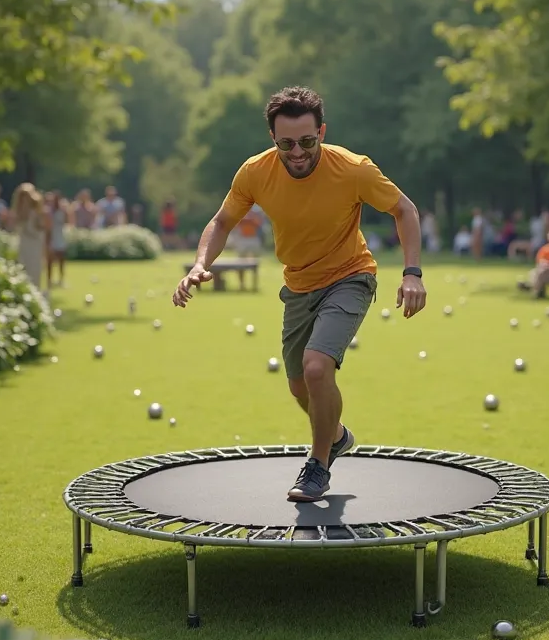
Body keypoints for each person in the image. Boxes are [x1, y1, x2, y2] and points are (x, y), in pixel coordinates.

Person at [172, 86, 427, 503]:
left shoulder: (353, 169)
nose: (297, 152)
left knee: (315, 368)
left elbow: (405, 209)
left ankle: (318, 466)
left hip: (350, 276)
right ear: (273, 138)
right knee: (299, 387)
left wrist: (412, 273)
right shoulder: (256, 172)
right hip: (298, 286)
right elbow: (221, 221)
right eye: (286, 143)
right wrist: (201, 263)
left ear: (321, 132)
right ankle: (338, 437)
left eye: (307, 141)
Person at [10, 183, 46, 288]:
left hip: (35, 244)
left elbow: (40, 228)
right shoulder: (18, 213)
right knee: (23, 268)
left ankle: (35, 290)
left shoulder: (35, 212)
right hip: (24, 244)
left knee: (34, 269)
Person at [517, 229, 549, 298]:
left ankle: (531, 287)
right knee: (537, 272)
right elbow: (541, 262)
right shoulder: (545, 250)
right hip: (545, 271)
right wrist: (548, 265)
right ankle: (537, 290)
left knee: (542, 273)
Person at [46, 190, 72, 288]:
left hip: (60, 235)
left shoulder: (62, 210)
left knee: (61, 258)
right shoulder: (48, 211)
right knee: (50, 260)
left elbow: (68, 220)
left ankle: (61, 279)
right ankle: (49, 280)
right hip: (51, 236)